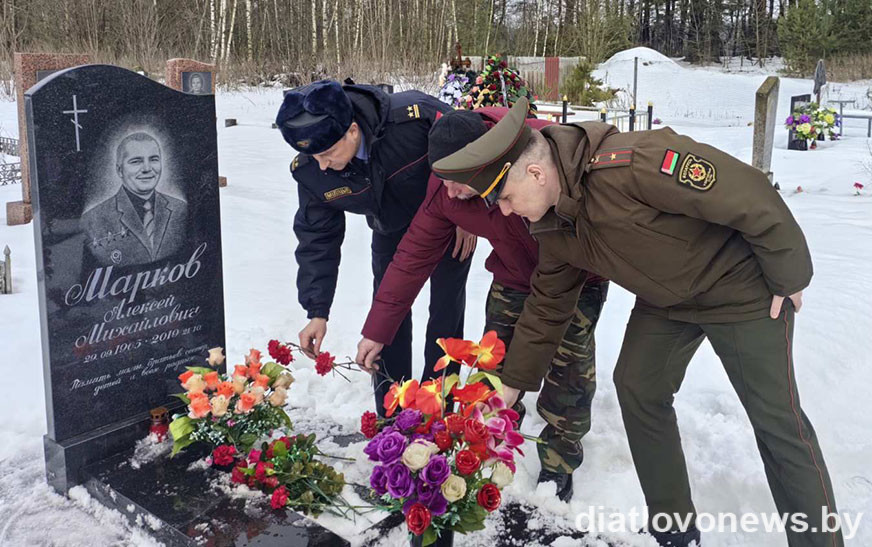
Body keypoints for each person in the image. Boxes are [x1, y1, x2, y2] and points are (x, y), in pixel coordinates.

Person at [432, 97, 842, 547]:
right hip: (667, 301)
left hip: (740, 291)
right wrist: (510, 386)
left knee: (778, 423)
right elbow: (548, 303)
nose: (505, 212)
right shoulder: (553, 223)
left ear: (535, 173)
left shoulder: (631, 164)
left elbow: (746, 190)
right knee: (638, 387)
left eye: (505, 197)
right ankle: (673, 528)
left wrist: (789, 273)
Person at [355, 107, 609, 501]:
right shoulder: (447, 186)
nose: (450, 193)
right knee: (493, 358)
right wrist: (377, 329)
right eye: (443, 181)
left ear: (482, 162)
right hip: (512, 275)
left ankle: (560, 456)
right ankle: (497, 427)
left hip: (576, 278)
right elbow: (413, 254)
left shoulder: (537, 157)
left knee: (568, 367)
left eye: (457, 183)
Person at [276, 80, 473, 416]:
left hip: (448, 221)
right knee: (388, 309)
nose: (321, 165)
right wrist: (317, 310)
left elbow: (469, 149)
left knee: (445, 309)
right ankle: (392, 408)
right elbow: (316, 237)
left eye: (327, 154)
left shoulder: (414, 119)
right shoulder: (313, 170)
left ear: (352, 131)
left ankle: (439, 401)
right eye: (313, 156)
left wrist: (468, 215)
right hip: (390, 227)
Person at [82, 132, 187, 267]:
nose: (147, 169)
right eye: (136, 161)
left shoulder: (180, 209)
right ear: (120, 170)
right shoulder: (94, 218)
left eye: (154, 159)